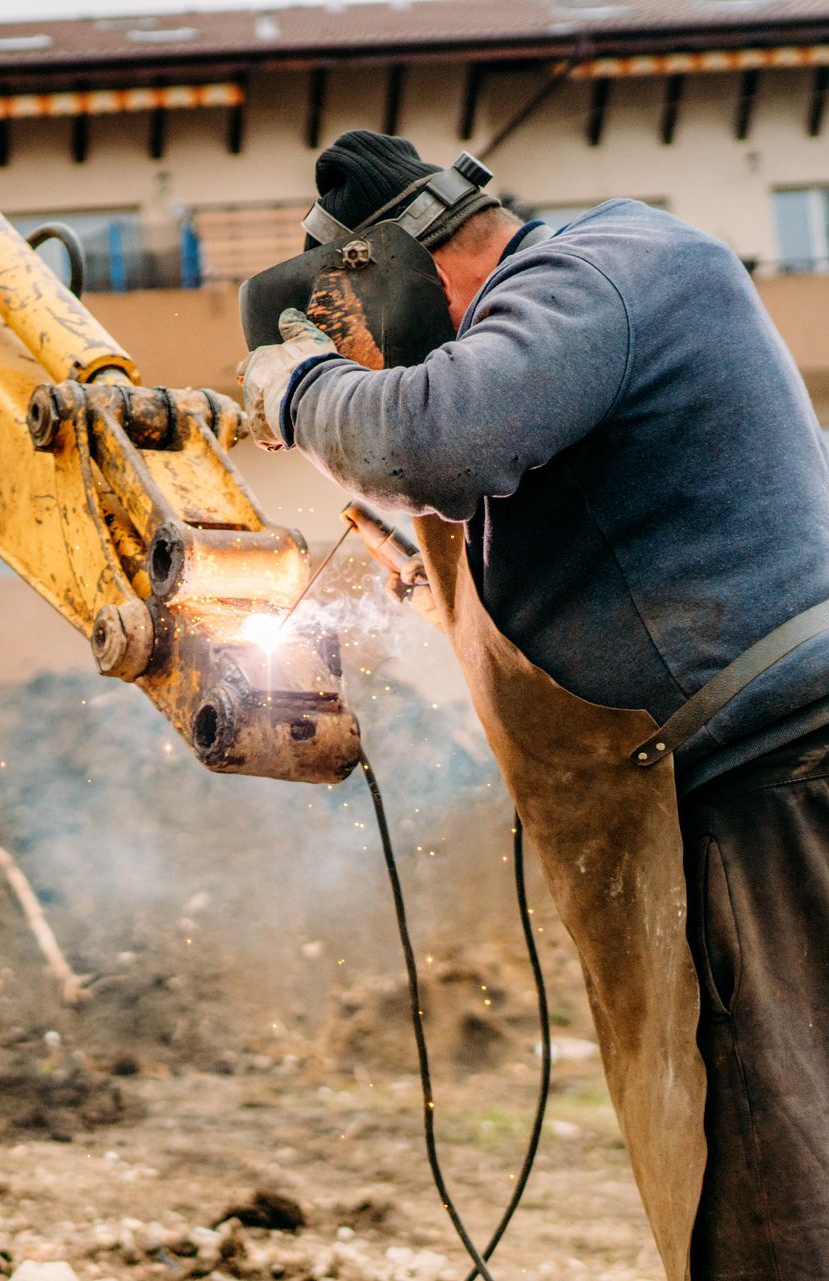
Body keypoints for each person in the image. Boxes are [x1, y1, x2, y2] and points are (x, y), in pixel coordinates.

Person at [238, 130, 829, 1281]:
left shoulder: (594, 270)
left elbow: (436, 438)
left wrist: (299, 387)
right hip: (741, 795)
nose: (367, 359)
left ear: (384, 264)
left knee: (775, 1182)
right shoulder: (559, 351)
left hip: (770, 788)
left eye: (352, 332)